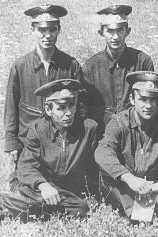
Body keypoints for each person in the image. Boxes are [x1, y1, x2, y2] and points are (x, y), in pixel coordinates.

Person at [3, 4, 83, 191]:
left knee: (66, 191)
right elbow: (11, 109)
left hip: (59, 145)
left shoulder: (70, 65)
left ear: (59, 30)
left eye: (52, 30)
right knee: (22, 189)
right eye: (41, 30)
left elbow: (80, 107)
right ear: (32, 30)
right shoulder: (20, 66)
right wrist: (12, 144)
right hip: (28, 145)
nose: (47, 36)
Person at [95, 71, 158, 220]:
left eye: (153, 100)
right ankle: (142, 211)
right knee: (106, 174)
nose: (148, 105)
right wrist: (130, 179)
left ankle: (145, 209)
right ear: (132, 99)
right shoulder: (119, 122)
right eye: (142, 99)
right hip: (126, 184)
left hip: (154, 184)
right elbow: (102, 151)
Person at [0, 79, 98, 222]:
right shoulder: (38, 129)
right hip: (40, 185)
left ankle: (15, 209)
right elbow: (27, 165)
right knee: (39, 201)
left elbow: (93, 165)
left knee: (81, 210)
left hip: (66, 191)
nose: (69, 113)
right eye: (61, 108)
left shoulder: (88, 128)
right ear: (48, 110)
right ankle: (6, 203)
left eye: (71, 106)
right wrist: (44, 186)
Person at [83, 5, 154, 133]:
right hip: (102, 133)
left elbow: (151, 102)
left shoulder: (142, 62)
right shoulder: (91, 67)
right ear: (101, 33)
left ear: (128, 31)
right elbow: (84, 109)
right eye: (110, 31)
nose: (115, 37)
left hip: (135, 131)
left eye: (120, 30)